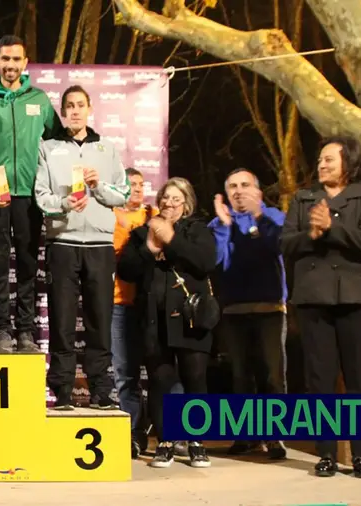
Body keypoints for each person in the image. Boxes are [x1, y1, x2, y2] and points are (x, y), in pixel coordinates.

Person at [281, 136, 361, 479]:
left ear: (348, 163)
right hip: (313, 299)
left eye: (329, 160)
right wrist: (310, 234)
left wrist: (333, 228)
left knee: (358, 380)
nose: (321, 165)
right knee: (319, 381)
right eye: (320, 160)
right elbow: (286, 243)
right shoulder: (304, 197)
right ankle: (325, 453)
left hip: (356, 298)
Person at [33, 85, 129, 410]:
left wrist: (97, 186)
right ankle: (61, 391)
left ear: (89, 110)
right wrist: (63, 204)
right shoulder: (48, 148)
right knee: (61, 322)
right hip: (62, 243)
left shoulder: (107, 148)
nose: (74, 111)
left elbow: (123, 193)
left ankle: (100, 390)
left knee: (99, 321)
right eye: (69, 106)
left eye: (80, 105)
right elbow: (41, 196)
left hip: (100, 245)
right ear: (62, 113)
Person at [0, 34, 62, 353]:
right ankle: (1, 332)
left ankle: (25, 331)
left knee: (26, 263)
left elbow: (56, 144)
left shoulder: (39, 99)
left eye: (16, 59)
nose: (10, 65)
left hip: (31, 197)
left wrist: (49, 182)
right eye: (4, 59)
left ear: (25, 62)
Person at [118, 177, 216, 469]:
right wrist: (149, 246)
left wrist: (171, 239)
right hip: (153, 320)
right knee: (160, 381)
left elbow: (205, 262)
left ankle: (196, 441)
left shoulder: (198, 230)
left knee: (195, 378)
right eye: (164, 198)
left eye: (176, 199)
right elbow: (126, 270)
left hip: (190, 318)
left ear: (186, 204)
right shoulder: (140, 233)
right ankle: (164, 441)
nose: (168, 204)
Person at [209, 168, 288, 459]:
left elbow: (274, 247)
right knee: (241, 376)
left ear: (258, 190)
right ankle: (246, 435)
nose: (238, 191)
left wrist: (256, 218)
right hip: (234, 308)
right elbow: (215, 260)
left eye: (245, 185)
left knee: (272, 376)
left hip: (269, 307)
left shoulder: (274, 217)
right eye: (232, 186)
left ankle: (275, 437)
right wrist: (222, 224)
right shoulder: (220, 223)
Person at [110, 168, 158, 458]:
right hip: (118, 303)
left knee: (160, 373)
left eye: (141, 184)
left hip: (152, 305)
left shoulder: (154, 216)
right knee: (125, 374)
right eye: (131, 184)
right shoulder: (110, 216)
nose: (137, 189)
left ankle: (167, 434)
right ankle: (133, 433)